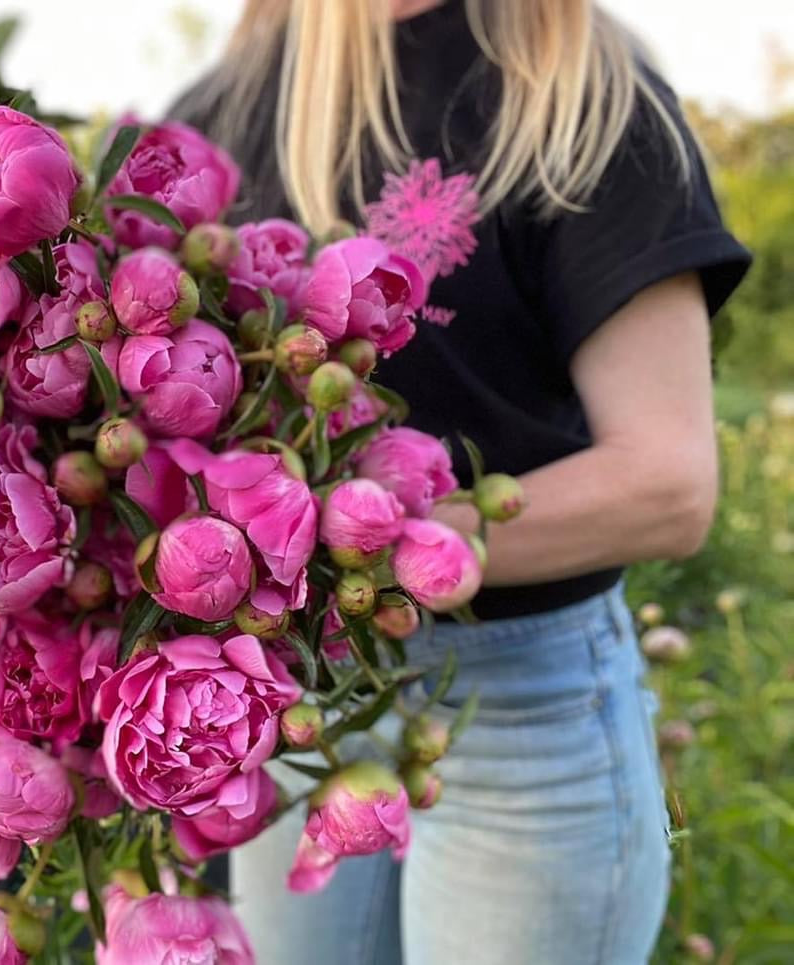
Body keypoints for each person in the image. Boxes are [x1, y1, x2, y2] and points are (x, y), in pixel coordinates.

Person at [170, 1, 751, 962]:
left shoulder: (577, 96)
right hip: (300, 695)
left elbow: (667, 484)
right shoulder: (222, 112)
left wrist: (348, 545)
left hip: (524, 719)